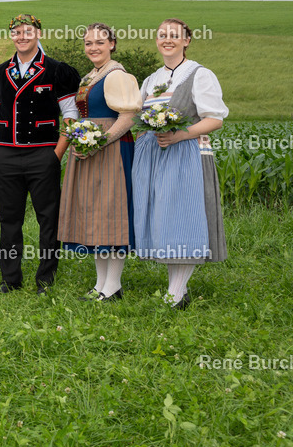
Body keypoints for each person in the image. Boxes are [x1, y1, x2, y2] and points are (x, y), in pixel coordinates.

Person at [132, 18, 228, 308]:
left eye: (174, 35)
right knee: (165, 220)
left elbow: (215, 119)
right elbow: (138, 117)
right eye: (162, 34)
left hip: (186, 154)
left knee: (183, 219)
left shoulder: (200, 74)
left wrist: (179, 135)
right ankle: (178, 291)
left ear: (187, 40)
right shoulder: (151, 79)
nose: (167, 39)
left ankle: (175, 292)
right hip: (154, 155)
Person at [0, 14, 80, 294]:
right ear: (11, 36)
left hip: (43, 155)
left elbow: (70, 113)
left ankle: (45, 280)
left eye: (28, 31)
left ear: (39, 34)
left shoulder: (57, 70)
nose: (22, 36)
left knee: (48, 219)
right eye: (16, 32)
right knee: (9, 219)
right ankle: (10, 279)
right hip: (7, 155)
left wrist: (56, 154)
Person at [57, 23, 141, 302]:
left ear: (112, 44)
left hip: (112, 149)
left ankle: (113, 285)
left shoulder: (117, 75)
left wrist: (100, 142)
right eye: (88, 43)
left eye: (99, 42)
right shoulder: (91, 76)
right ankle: (101, 283)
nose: (93, 48)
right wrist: (82, 140)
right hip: (89, 147)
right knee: (94, 213)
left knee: (110, 212)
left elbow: (128, 116)